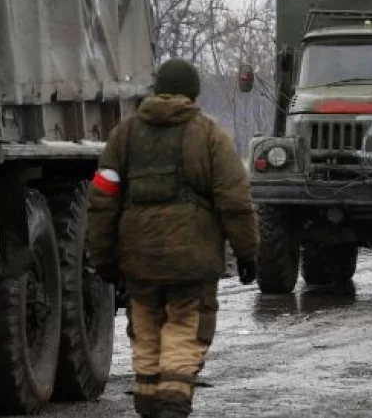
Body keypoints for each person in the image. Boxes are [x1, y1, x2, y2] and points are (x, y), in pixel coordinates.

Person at [87, 59, 258, 418]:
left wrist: (102, 256)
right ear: (193, 92)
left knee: (145, 325)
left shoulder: (125, 134)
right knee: (185, 325)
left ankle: (149, 401)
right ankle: (173, 404)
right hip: (191, 259)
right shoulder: (210, 135)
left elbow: (103, 196)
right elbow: (235, 200)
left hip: (138, 258)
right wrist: (247, 252)